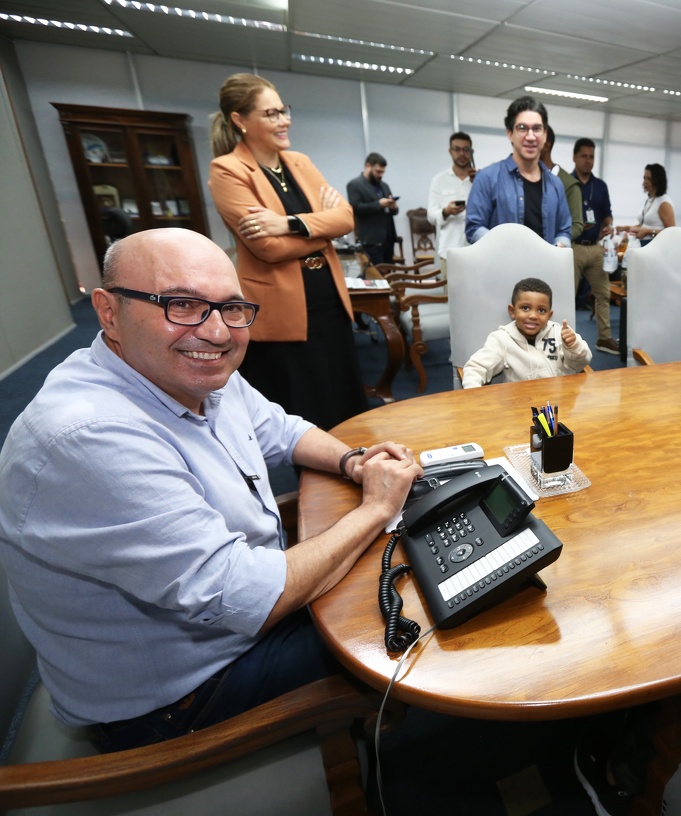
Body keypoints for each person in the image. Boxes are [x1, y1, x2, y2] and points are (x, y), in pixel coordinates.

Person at [0, 229, 422, 750]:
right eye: (182, 305)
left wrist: (352, 461)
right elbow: (253, 599)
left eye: (231, 308)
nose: (218, 332)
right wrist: (377, 507)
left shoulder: (186, 367)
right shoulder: (89, 437)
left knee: (403, 568)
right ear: (108, 311)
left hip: (229, 618)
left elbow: (280, 428)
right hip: (183, 696)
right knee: (414, 612)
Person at [208, 73, 367, 431]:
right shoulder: (227, 170)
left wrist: (289, 223)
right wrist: (320, 228)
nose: (284, 120)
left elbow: (345, 218)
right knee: (305, 413)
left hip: (329, 300)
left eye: (284, 110)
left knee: (346, 404)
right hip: (284, 312)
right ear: (240, 120)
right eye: (271, 113)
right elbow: (267, 247)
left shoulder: (300, 162)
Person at [465, 96, 571, 247]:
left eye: (537, 128)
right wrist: (508, 248)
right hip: (501, 269)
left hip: (545, 269)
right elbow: (474, 228)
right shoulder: (487, 178)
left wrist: (560, 245)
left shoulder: (555, 184)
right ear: (510, 134)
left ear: (545, 134)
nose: (530, 136)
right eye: (522, 128)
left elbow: (564, 230)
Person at [461, 277, 591, 389]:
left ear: (549, 315)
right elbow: (476, 368)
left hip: (559, 400)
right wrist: (473, 393)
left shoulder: (560, 333)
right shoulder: (502, 339)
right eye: (525, 308)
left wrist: (573, 346)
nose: (533, 316)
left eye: (541, 310)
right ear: (512, 311)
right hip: (521, 405)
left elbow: (579, 364)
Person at [570, 137, 618, 355]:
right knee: (566, 296)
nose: (588, 161)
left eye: (591, 157)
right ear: (575, 157)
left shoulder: (600, 186)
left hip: (596, 247)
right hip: (573, 247)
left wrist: (607, 226)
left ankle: (604, 338)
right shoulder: (566, 184)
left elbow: (607, 215)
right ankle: (566, 341)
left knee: (603, 295)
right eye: (584, 156)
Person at [427, 131, 476, 278]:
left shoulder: (481, 180)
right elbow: (430, 216)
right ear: (450, 151)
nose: (462, 153)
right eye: (457, 149)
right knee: (449, 299)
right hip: (449, 251)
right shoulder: (439, 180)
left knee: (477, 299)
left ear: (471, 152)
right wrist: (446, 211)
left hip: (476, 252)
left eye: (466, 149)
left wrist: (478, 182)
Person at [346, 151, 398, 266]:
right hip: (371, 239)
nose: (380, 175)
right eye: (378, 171)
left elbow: (392, 210)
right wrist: (379, 204)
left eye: (382, 172)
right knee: (375, 276)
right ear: (368, 166)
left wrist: (393, 207)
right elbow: (356, 208)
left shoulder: (384, 185)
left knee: (389, 275)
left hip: (389, 238)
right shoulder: (354, 185)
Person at [540, 125, 584, 242]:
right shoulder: (522, 178)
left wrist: (556, 240)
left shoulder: (569, 184)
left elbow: (577, 225)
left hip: (554, 250)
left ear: (546, 144)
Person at [630, 163, 674, 245]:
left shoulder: (664, 203)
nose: (645, 182)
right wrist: (626, 228)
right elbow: (645, 224)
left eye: (649, 179)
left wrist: (648, 232)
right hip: (643, 244)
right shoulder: (648, 200)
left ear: (658, 181)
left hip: (657, 247)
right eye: (644, 178)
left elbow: (672, 232)